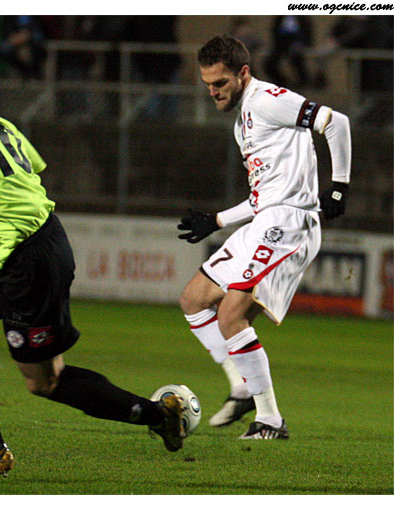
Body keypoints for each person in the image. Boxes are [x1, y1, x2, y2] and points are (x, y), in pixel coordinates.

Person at [0, 51, 185, 478]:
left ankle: (159, 414)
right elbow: (32, 170)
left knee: (44, 380)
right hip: (17, 246)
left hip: (27, 257)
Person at [177, 35, 351, 439]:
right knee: (194, 299)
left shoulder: (269, 100)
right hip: (266, 219)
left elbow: (335, 122)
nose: (213, 91)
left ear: (243, 73)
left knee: (230, 315)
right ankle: (241, 387)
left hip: (289, 223)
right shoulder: (243, 123)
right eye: (207, 85)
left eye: (220, 82)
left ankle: (270, 420)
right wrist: (217, 220)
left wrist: (339, 185)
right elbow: (262, 196)